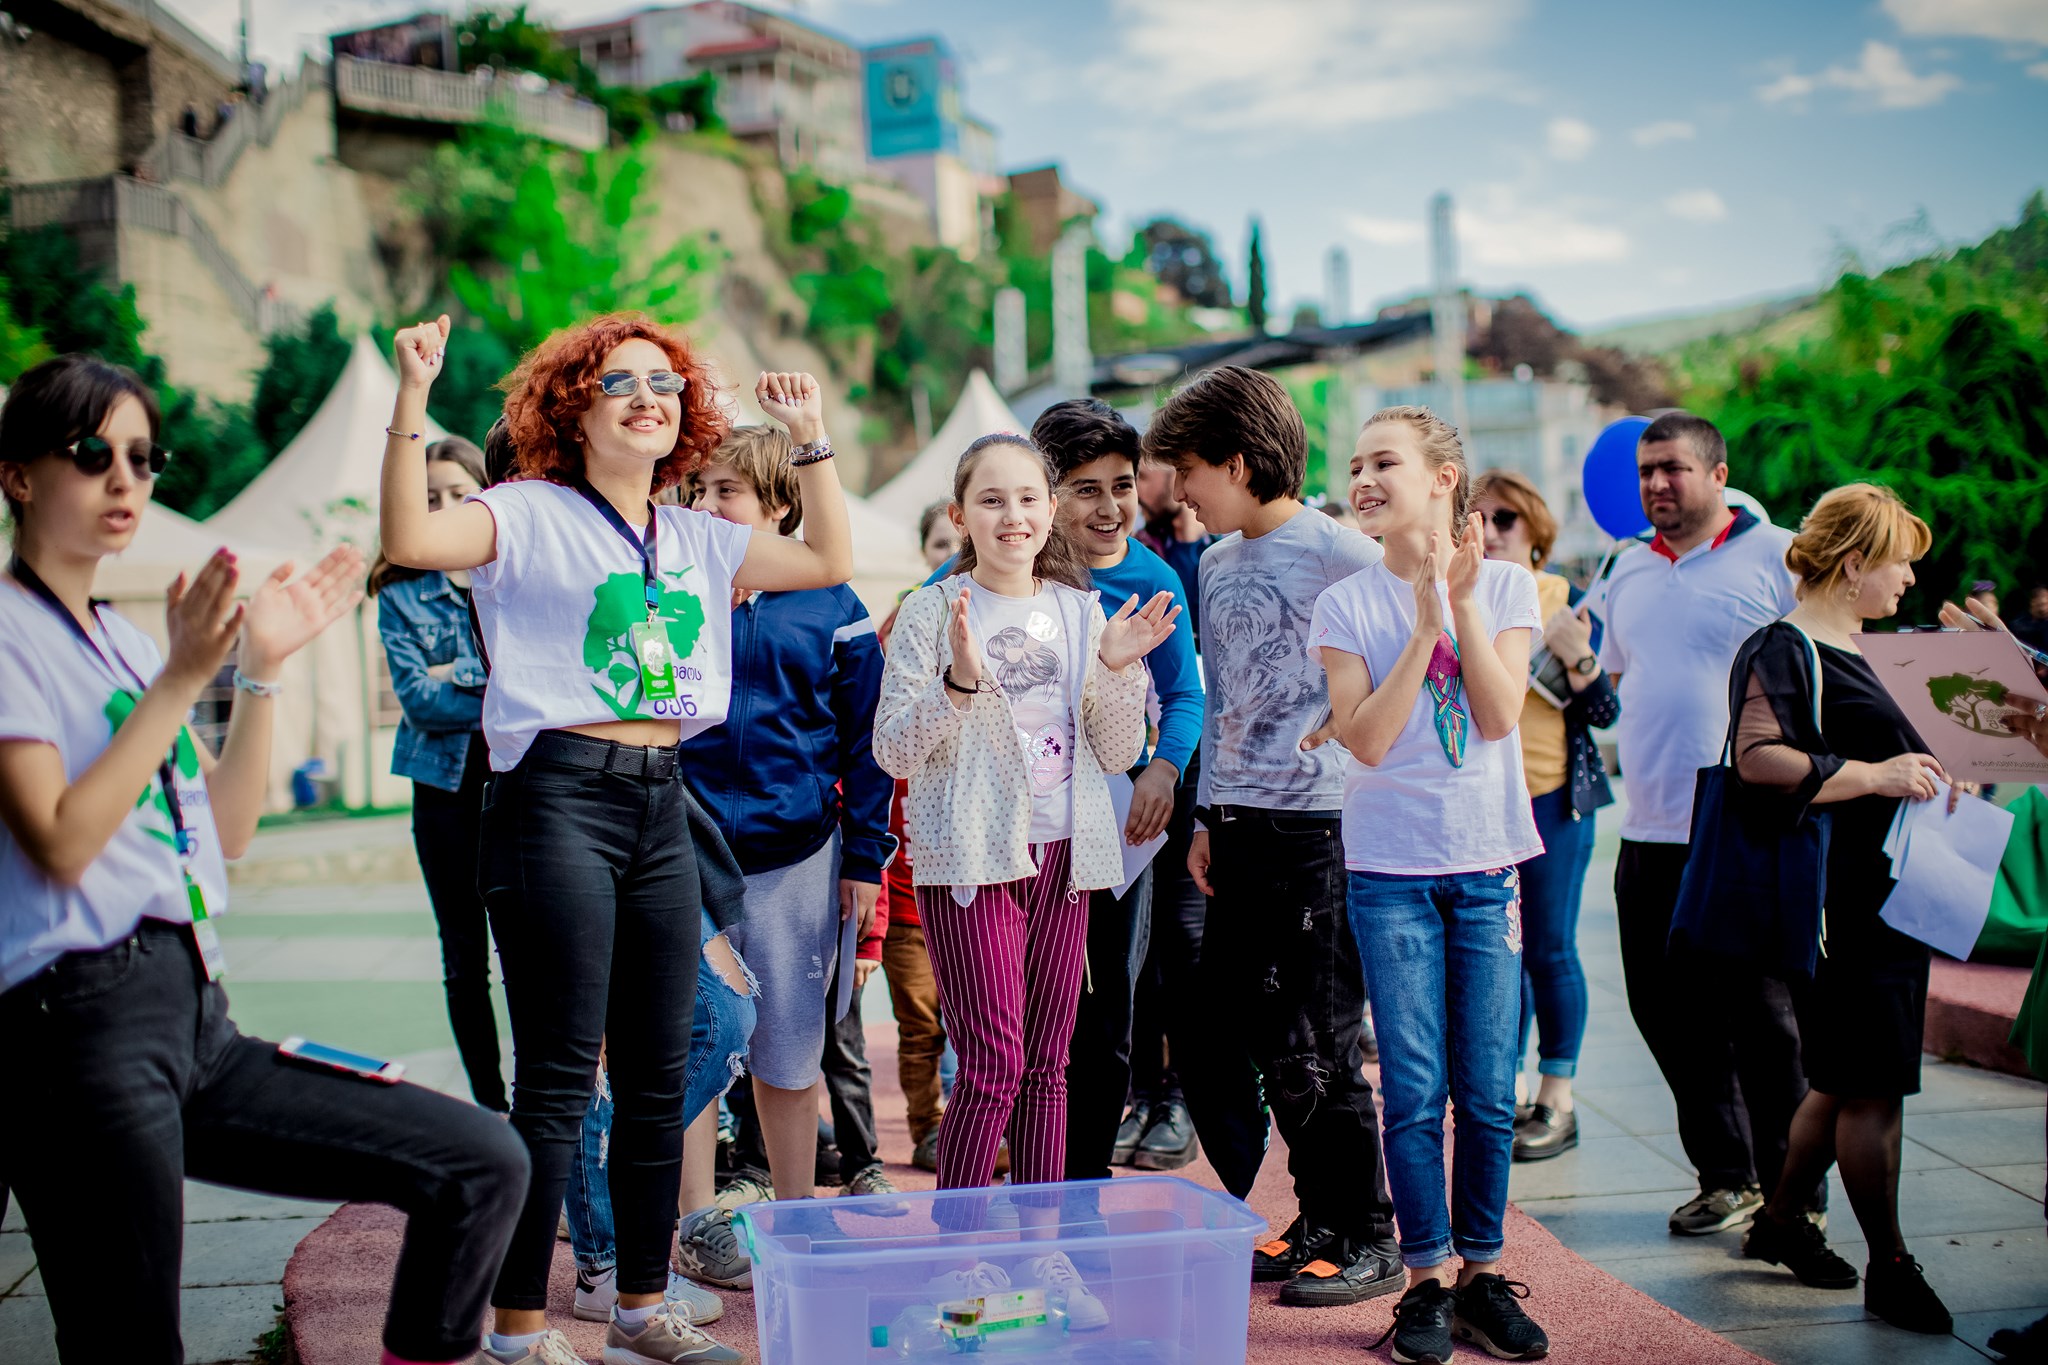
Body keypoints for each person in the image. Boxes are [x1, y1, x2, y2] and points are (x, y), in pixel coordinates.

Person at [0, 353, 531, 1365]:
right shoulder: (11, 632)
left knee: (480, 1160)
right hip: (74, 1029)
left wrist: (259, 669)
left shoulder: (119, 641)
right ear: (19, 474)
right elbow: (60, 841)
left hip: (196, 1018)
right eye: (92, 453)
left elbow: (227, 829)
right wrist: (181, 677)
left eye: (143, 457)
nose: (125, 478)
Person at [378, 312, 852, 1365]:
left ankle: (640, 1310)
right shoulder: (524, 511)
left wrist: (810, 437)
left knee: (653, 1073)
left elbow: (827, 556)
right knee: (556, 1079)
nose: (648, 398)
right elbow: (409, 541)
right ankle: (517, 1330)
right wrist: (412, 398)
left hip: (662, 797)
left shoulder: (695, 534)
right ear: (571, 410)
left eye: (665, 384)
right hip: (554, 798)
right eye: (619, 383)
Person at [872, 433, 1174, 1305]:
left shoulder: (1080, 612)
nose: (1014, 516)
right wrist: (959, 684)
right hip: (970, 859)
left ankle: (1046, 1253)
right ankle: (958, 1255)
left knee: (1049, 1062)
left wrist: (1118, 667)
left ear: (1051, 510)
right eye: (992, 499)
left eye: (1029, 498)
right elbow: (893, 750)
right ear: (961, 514)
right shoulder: (932, 610)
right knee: (994, 1061)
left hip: (1065, 857)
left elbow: (1115, 749)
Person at [1143, 364, 1403, 1308]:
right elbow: (1226, 699)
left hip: (1324, 828)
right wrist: (1207, 812)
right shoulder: (1215, 562)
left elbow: (1415, 663)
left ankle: (1369, 1233)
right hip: (1237, 824)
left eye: (1188, 469)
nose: (1178, 490)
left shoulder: (1344, 553)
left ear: (1239, 462)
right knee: (1247, 1031)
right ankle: (1320, 1215)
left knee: (1320, 1039)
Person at [1312, 408, 1550, 1361]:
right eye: (1356, 464)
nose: (1363, 479)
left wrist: (1462, 607)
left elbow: (1497, 716)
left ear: (1444, 478)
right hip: (1389, 874)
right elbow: (1365, 740)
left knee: (1488, 1090)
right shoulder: (1346, 604)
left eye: (1385, 462)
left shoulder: (1508, 583)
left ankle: (1483, 1275)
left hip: (1486, 867)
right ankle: (1424, 1283)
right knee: (1413, 1089)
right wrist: (1421, 629)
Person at [918, 400, 1205, 1180]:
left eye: (1123, 486)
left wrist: (1163, 766)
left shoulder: (1150, 578)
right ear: (1048, 497)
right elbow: (925, 634)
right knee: (1003, 1034)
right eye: (1086, 489)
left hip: (1116, 820)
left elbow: (1183, 694)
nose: (1109, 508)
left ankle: (1079, 1184)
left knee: (1102, 1009)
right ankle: (992, 1187)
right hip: (997, 835)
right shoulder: (976, 578)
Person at [1729, 484, 1956, 1333]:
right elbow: (1756, 758)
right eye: (1899, 561)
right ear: (1855, 562)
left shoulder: (1874, 648)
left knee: (1840, 1080)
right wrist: (1876, 775)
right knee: (1873, 1088)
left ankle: (1780, 1220)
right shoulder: (1785, 647)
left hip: (1894, 893)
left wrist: (1935, 769)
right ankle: (1889, 1266)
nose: (1909, 579)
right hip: (1840, 903)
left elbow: (1904, 754)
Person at [1588, 410, 1815, 1238]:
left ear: (1719, 474)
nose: (1656, 484)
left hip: (1744, 828)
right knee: (1665, 1011)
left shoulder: (1781, 555)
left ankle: (1795, 1193)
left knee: (1763, 1022)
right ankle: (1727, 1176)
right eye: (1647, 471)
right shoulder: (1625, 568)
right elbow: (1617, 677)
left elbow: (1829, 663)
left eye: (1673, 468)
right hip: (1648, 828)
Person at [684, 425, 897, 1216]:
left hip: (798, 856)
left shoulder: (834, 604)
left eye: (727, 490)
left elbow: (869, 742)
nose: (707, 504)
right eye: (698, 490)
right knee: (693, 1041)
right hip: (687, 851)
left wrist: (864, 860)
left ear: (778, 504)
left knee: (790, 1048)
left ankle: (798, 1211)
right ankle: (695, 1219)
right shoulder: (674, 585)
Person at [1472, 470, 1619, 1161]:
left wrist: (1577, 655)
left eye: (1505, 518)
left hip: (1553, 797)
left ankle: (1557, 1098)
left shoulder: (1566, 601)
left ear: (1536, 527)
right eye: (1477, 517)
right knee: (1499, 954)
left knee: (1548, 948)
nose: (1490, 530)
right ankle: (1506, 1088)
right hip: (1481, 802)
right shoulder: (1461, 598)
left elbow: (1606, 712)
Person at [370, 436, 506, 1114]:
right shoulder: (401, 591)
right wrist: (497, 681)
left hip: (519, 787)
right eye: (429, 498)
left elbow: (542, 680)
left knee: (532, 954)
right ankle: (491, 1106)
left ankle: (547, 1107)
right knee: (464, 958)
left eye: (459, 492)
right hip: (444, 794)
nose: (446, 506)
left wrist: (455, 673)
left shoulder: (511, 568)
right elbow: (419, 701)